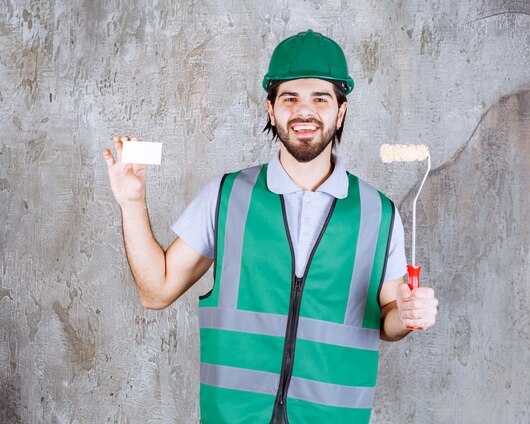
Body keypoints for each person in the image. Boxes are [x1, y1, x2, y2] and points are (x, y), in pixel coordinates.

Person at [104, 29, 438, 424]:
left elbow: (388, 320)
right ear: (271, 109)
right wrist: (131, 202)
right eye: (290, 98)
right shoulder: (226, 196)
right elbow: (155, 290)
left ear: (341, 111)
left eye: (320, 98)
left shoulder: (378, 214)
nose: (304, 111)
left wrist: (409, 312)